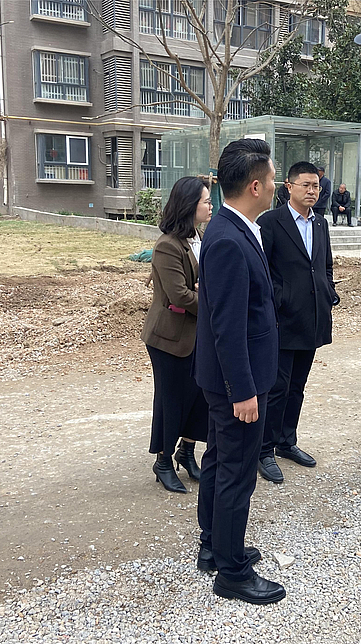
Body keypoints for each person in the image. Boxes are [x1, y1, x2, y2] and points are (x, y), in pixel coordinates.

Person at [193, 139, 285, 605]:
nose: (275, 186)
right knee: (237, 472)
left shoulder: (234, 225)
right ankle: (231, 572)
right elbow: (226, 327)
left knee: (218, 461)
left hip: (230, 377)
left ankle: (215, 544)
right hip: (239, 381)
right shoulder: (229, 237)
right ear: (254, 186)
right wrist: (243, 391)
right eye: (272, 179)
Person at [256, 162, 339, 484]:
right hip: (282, 319)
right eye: (305, 185)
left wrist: (328, 292)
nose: (312, 191)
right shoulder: (271, 222)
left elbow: (325, 265)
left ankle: (286, 441)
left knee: (297, 387)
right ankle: (264, 449)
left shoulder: (320, 223)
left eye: (316, 186)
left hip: (312, 317)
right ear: (288, 187)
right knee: (277, 388)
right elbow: (262, 270)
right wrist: (281, 298)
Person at [141, 176, 211, 494]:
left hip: (198, 335)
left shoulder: (199, 238)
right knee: (170, 400)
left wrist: (204, 289)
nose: (211, 206)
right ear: (189, 205)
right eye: (206, 201)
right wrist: (211, 298)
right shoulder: (167, 245)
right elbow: (179, 295)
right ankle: (163, 460)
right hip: (169, 339)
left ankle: (187, 451)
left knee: (200, 397)